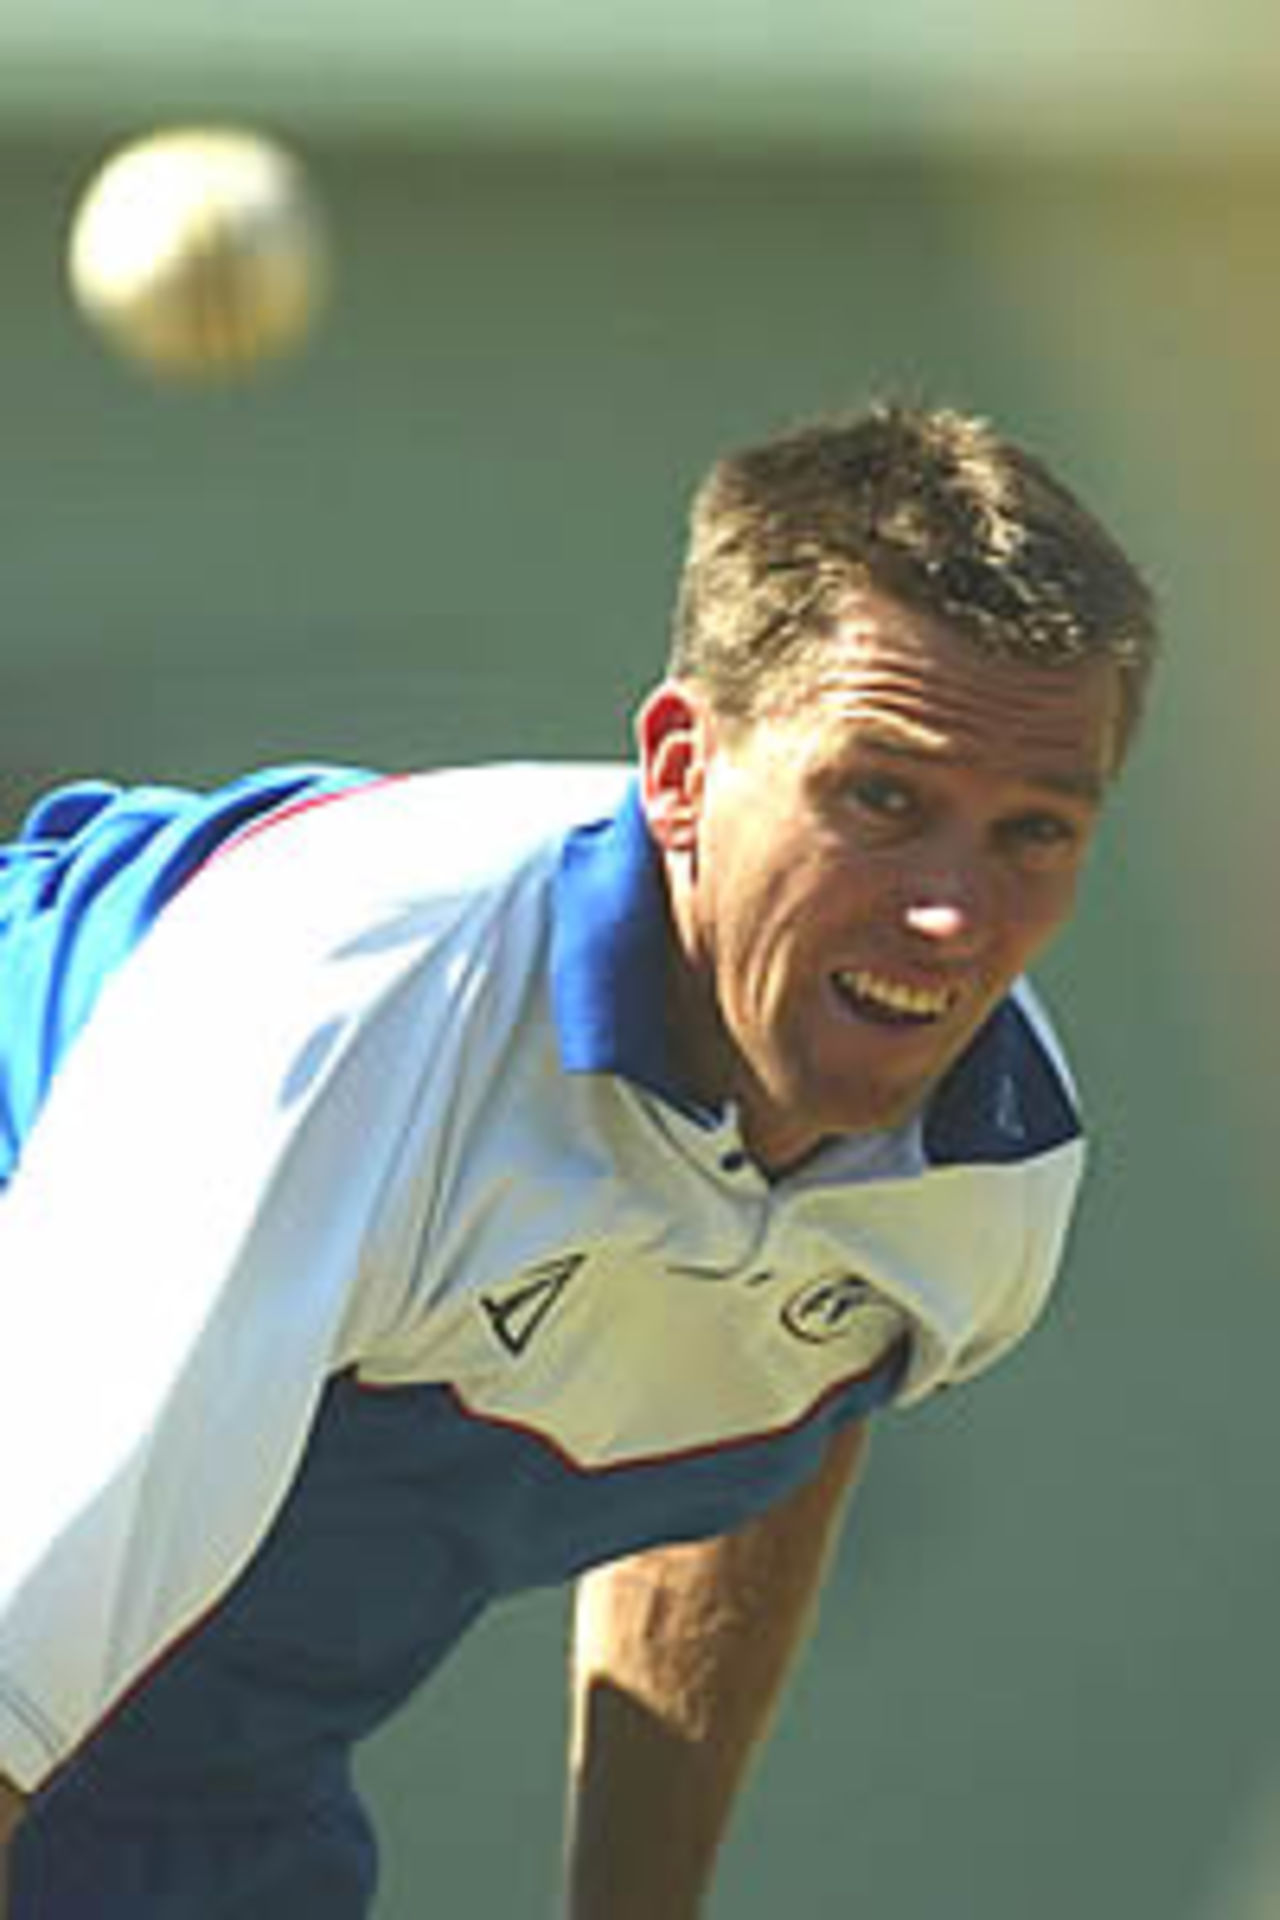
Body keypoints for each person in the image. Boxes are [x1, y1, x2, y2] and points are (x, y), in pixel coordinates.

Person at [0, 399, 1157, 1919]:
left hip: (209, 1765)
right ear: (679, 768)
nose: (953, 917)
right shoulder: (342, 1032)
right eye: (881, 799)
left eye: (1033, 833)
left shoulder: (985, 1161)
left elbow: (778, 1384)